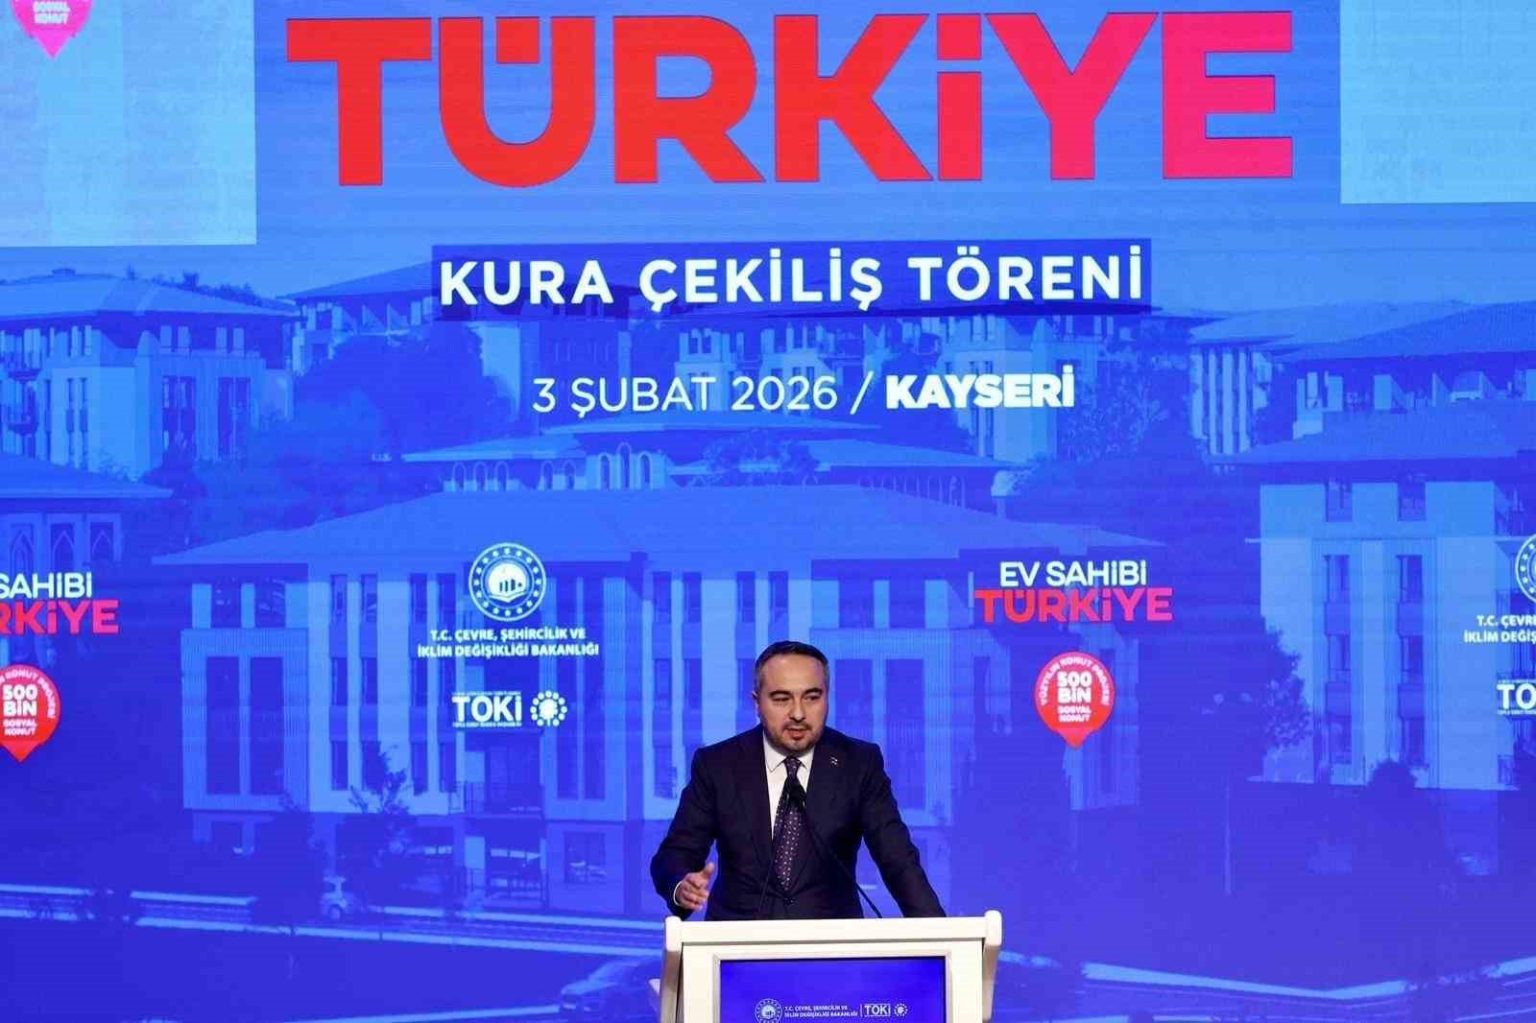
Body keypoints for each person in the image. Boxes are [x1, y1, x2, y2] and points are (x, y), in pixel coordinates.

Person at [650, 640, 945, 920]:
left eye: (812, 697)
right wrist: (682, 887)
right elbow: (675, 854)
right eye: (782, 699)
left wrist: (942, 939)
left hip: (829, 947)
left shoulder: (858, 763)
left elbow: (899, 862)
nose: (798, 713)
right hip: (737, 946)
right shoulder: (718, 765)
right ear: (757, 703)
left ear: (827, 697)